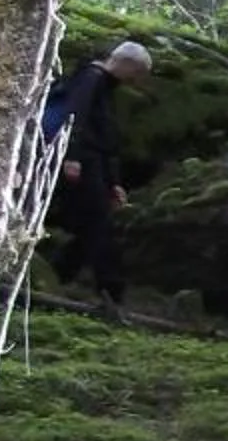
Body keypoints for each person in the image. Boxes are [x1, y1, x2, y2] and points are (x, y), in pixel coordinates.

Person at [47, 39, 153, 309]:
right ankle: (109, 287)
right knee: (98, 222)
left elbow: (106, 138)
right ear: (125, 63)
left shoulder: (106, 87)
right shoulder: (91, 78)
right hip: (82, 161)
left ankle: (60, 273)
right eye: (136, 73)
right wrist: (71, 156)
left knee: (92, 224)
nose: (135, 80)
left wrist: (114, 182)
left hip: (95, 163)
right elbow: (76, 116)